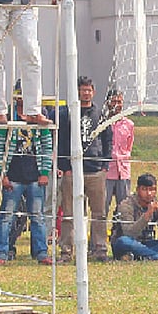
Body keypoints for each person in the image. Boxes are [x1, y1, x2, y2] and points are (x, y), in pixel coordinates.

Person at [0, 88, 53, 265]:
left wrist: (44, 172)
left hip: (35, 177)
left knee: (38, 217)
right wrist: (1, 174)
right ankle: (2, 253)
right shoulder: (8, 116)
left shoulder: (39, 115)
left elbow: (46, 145)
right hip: (13, 177)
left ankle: (41, 253)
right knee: (6, 217)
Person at [56, 76, 112, 261]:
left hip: (95, 170)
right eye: (82, 89)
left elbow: (107, 140)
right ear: (77, 91)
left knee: (99, 213)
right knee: (69, 213)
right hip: (72, 170)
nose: (86, 93)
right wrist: (65, 167)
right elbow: (62, 139)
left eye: (89, 89)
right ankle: (66, 251)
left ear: (93, 91)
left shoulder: (101, 113)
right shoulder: (67, 112)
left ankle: (99, 248)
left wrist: (104, 165)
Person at [111, 174, 158, 261]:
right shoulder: (126, 205)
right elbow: (129, 233)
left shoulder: (156, 203)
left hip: (146, 243)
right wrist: (147, 215)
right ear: (137, 190)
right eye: (144, 189)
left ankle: (139, 256)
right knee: (123, 241)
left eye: (152, 190)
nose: (149, 193)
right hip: (126, 244)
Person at [104, 89, 135, 222]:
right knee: (102, 207)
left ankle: (121, 237)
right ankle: (97, 240)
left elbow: (129, 145)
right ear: (108, 103)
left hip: (123, 171)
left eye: (119, 101)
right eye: (114, 101)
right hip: (107, 171)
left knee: (124, 208)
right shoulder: (103, 123)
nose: (117, 104)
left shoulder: (129, 124)